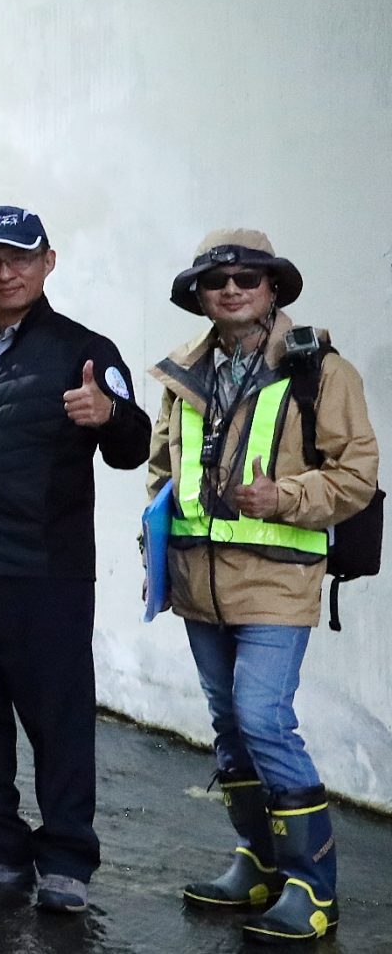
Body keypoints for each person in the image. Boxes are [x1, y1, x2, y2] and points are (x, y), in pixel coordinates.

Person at [150, 230, 378, 944]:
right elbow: (163, 468)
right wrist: (158, 534)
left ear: (272, 288)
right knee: (229, 725)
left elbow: (356, 476)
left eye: (248, 278)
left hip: (277, 579)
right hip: (198, 582)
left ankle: (313, 886)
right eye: (217, 280)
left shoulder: (321, 371)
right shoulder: (182, 373)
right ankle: (258, 860)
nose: (232, 289)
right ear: (199, 295)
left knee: (263, 718)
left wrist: (286, 496)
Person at [0, 207, 150, 915]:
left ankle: (67, 859)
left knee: (58, 718)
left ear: (48, 262)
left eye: (19, 257)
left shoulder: (85, 351)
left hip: (46, 569)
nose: (5, 272)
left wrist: (109, 415)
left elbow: (134, 446)